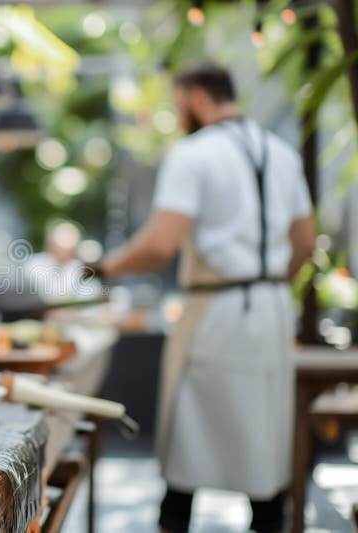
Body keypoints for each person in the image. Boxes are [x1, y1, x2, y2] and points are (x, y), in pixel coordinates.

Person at [91, 64, 315, 532]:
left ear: (195, 97)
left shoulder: (194, 154)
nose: (178, 115)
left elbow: (159, 244)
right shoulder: (283, 153)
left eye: (177, 105)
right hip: (273, 310)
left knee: (189, 448)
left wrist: (105, 268)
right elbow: (305, 244)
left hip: (216, 310)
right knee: (265, 446)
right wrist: (268, 282)